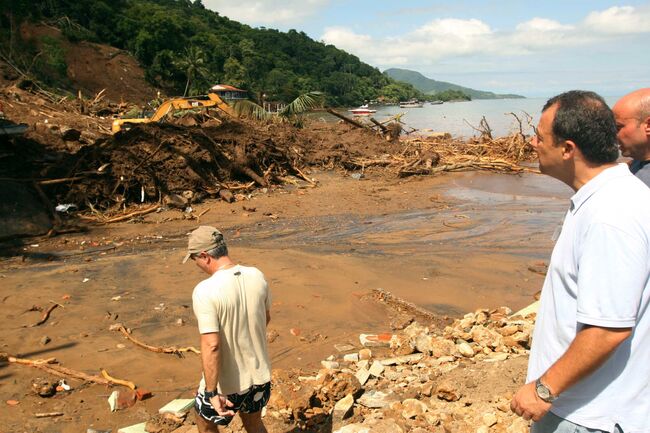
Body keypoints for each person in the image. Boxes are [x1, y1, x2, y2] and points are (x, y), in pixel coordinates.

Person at [510, 90, 650, 432]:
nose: (532, 144)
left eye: (540, 137)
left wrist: (545, 389)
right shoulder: (610, 196)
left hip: (587, 415)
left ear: (568, 149)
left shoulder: (610, 215)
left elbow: (608, 329)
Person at [184, 225, 272, 433]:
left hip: (228, 385)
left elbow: (212, 345)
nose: (195, 264)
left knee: (204, 420)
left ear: (205, 256)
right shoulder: (257, 275)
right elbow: (265, 319)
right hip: (260, 376)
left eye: (194, 259)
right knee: (254, 423)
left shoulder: (205, 291)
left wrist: (212, 391)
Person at [613, 88, 650, 186]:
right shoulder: (637, 162)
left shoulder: (643, 183)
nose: (613, 134)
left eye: (618, 127)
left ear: (648, 125)